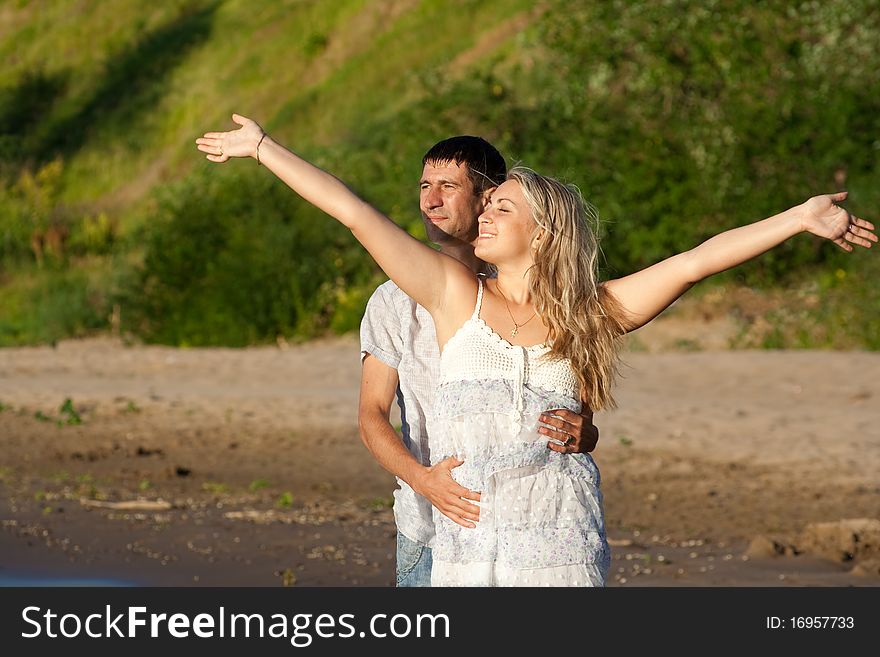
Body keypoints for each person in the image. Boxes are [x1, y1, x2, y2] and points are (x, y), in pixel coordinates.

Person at [196, 114, 876, 586]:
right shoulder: (453, 296)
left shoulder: (590, 313)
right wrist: (264, 150)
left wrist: (799, 217)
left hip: (561, 543)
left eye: (502, 208)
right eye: (485, 205)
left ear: (543, 233)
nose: (483, 214)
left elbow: (695, 262)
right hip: (467, 546)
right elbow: (352, 213)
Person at [359, 136, 598, 587]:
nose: (430, 201)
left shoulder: (539, 292)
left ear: (488, 197)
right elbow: (371, 415)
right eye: (424, 185)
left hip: (528, 530)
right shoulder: (393, 300)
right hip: (428, 528)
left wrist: (586, 429)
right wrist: (421, 480)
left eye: (447, 186)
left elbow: (573, 399)